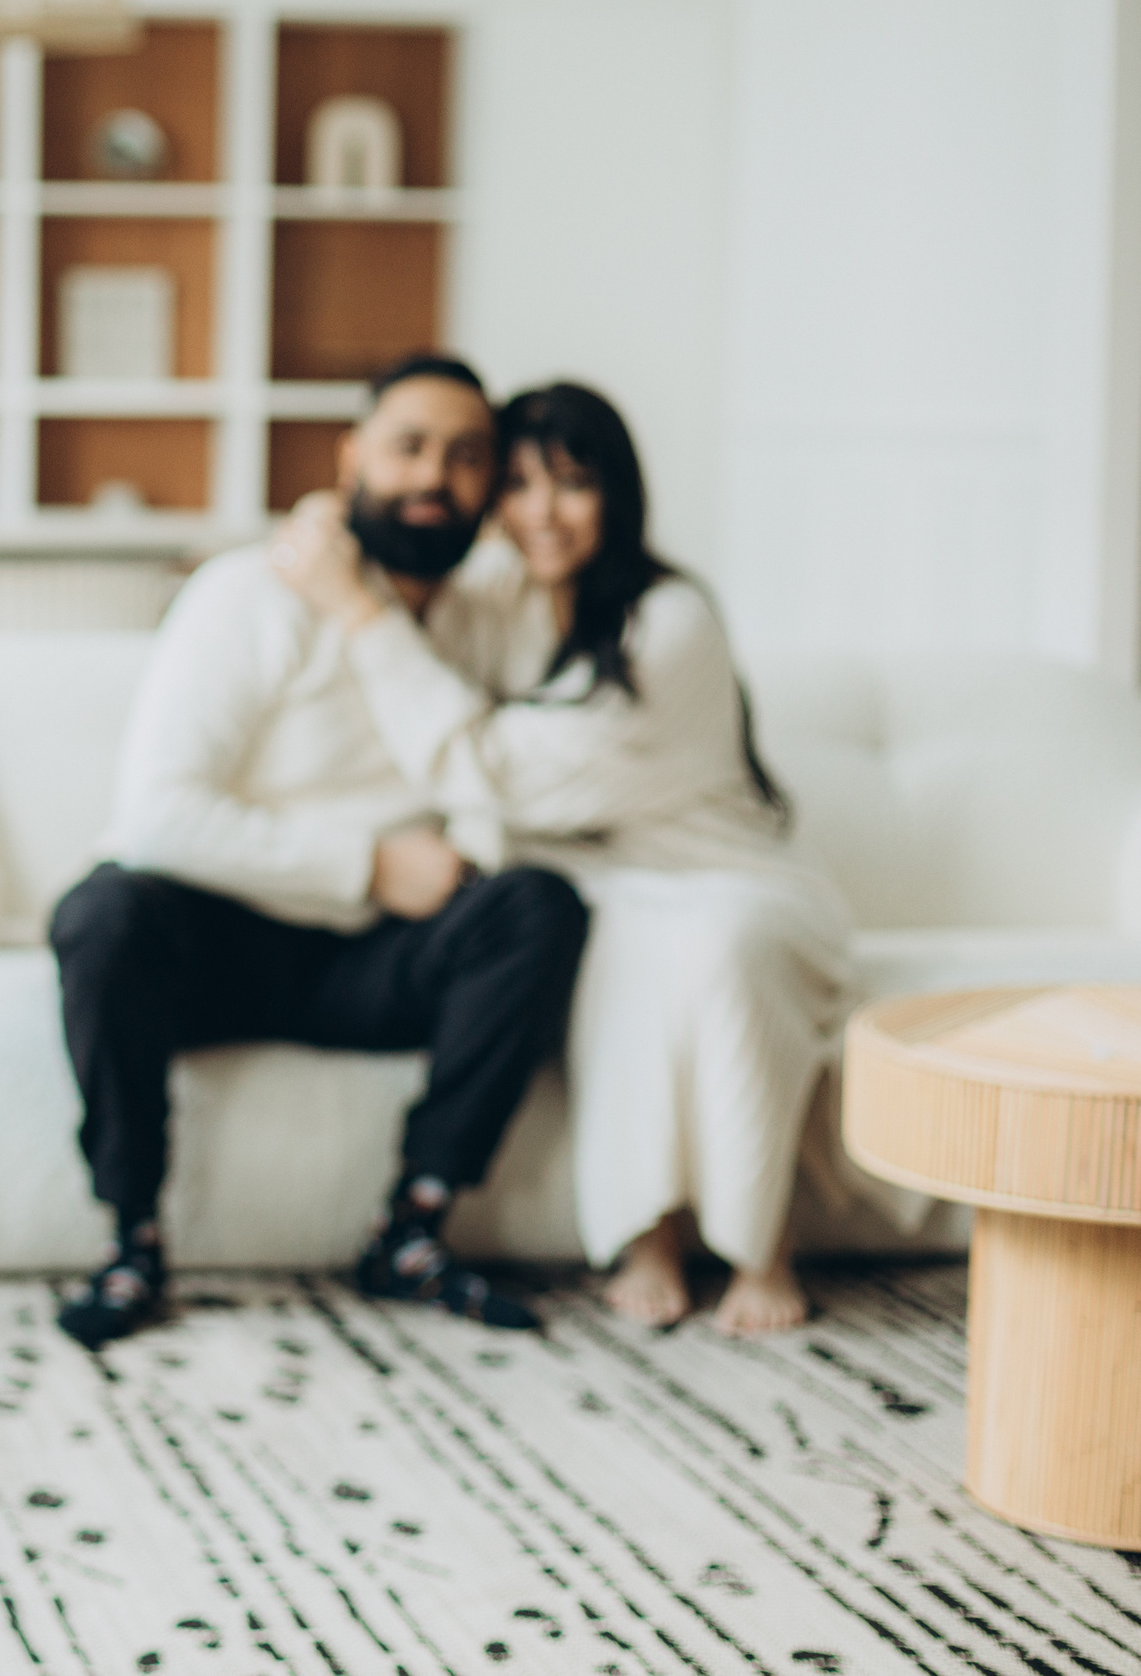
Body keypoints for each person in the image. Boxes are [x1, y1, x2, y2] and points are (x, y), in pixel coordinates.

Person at [271, 381, 853, 1335]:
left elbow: (500, 772)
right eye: (518, 484)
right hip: (603, 884)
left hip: (724, 877)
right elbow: (402, 580)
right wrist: (327, 523)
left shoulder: (672, 622)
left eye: (572, 484)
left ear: (617, 495)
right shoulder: (502, 599)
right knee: (595, 932)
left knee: (713, 945)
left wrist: (355, 610)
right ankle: (649, 1233)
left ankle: (764, 1243)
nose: (542, 512)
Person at [51, 353, 591, 1348]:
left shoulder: (491, 615)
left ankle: (413, 1232)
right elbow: (158, 814)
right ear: (352, 459)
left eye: (467, 456)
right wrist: (367, 863)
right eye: (409, 447)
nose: (434, 477)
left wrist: (452, 859)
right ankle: (132, 1241)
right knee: (101, 912)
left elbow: (515, 771)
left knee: (537, 905)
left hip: (377, 958)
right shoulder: (247, 593)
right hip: (221, 944)